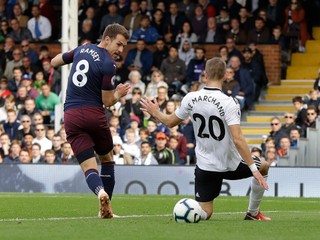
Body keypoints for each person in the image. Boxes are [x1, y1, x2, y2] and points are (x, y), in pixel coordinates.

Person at [141, 57, 270, 221]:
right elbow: (238, 139)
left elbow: (170, 122)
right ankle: (252, 213)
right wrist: (254, 170)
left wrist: (156, 112)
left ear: (205, 74)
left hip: (206, 165)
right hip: (231, 163)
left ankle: (186, 212)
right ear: (224, 75)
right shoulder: (230, 102)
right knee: (263, 166)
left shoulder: (190, 97)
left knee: (205, 213)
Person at [50, 23, 130, 219]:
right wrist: (118, 93)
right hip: (93, 114)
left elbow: (54, 62)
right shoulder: (108, 64)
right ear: (107, 39)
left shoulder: (81, 49)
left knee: (89, 167)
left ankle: (100, 193)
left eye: (123, 47)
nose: (120, 51)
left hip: (71, 116)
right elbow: (107, 101)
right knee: (107, 160)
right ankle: (107, 208)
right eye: (118, 45)